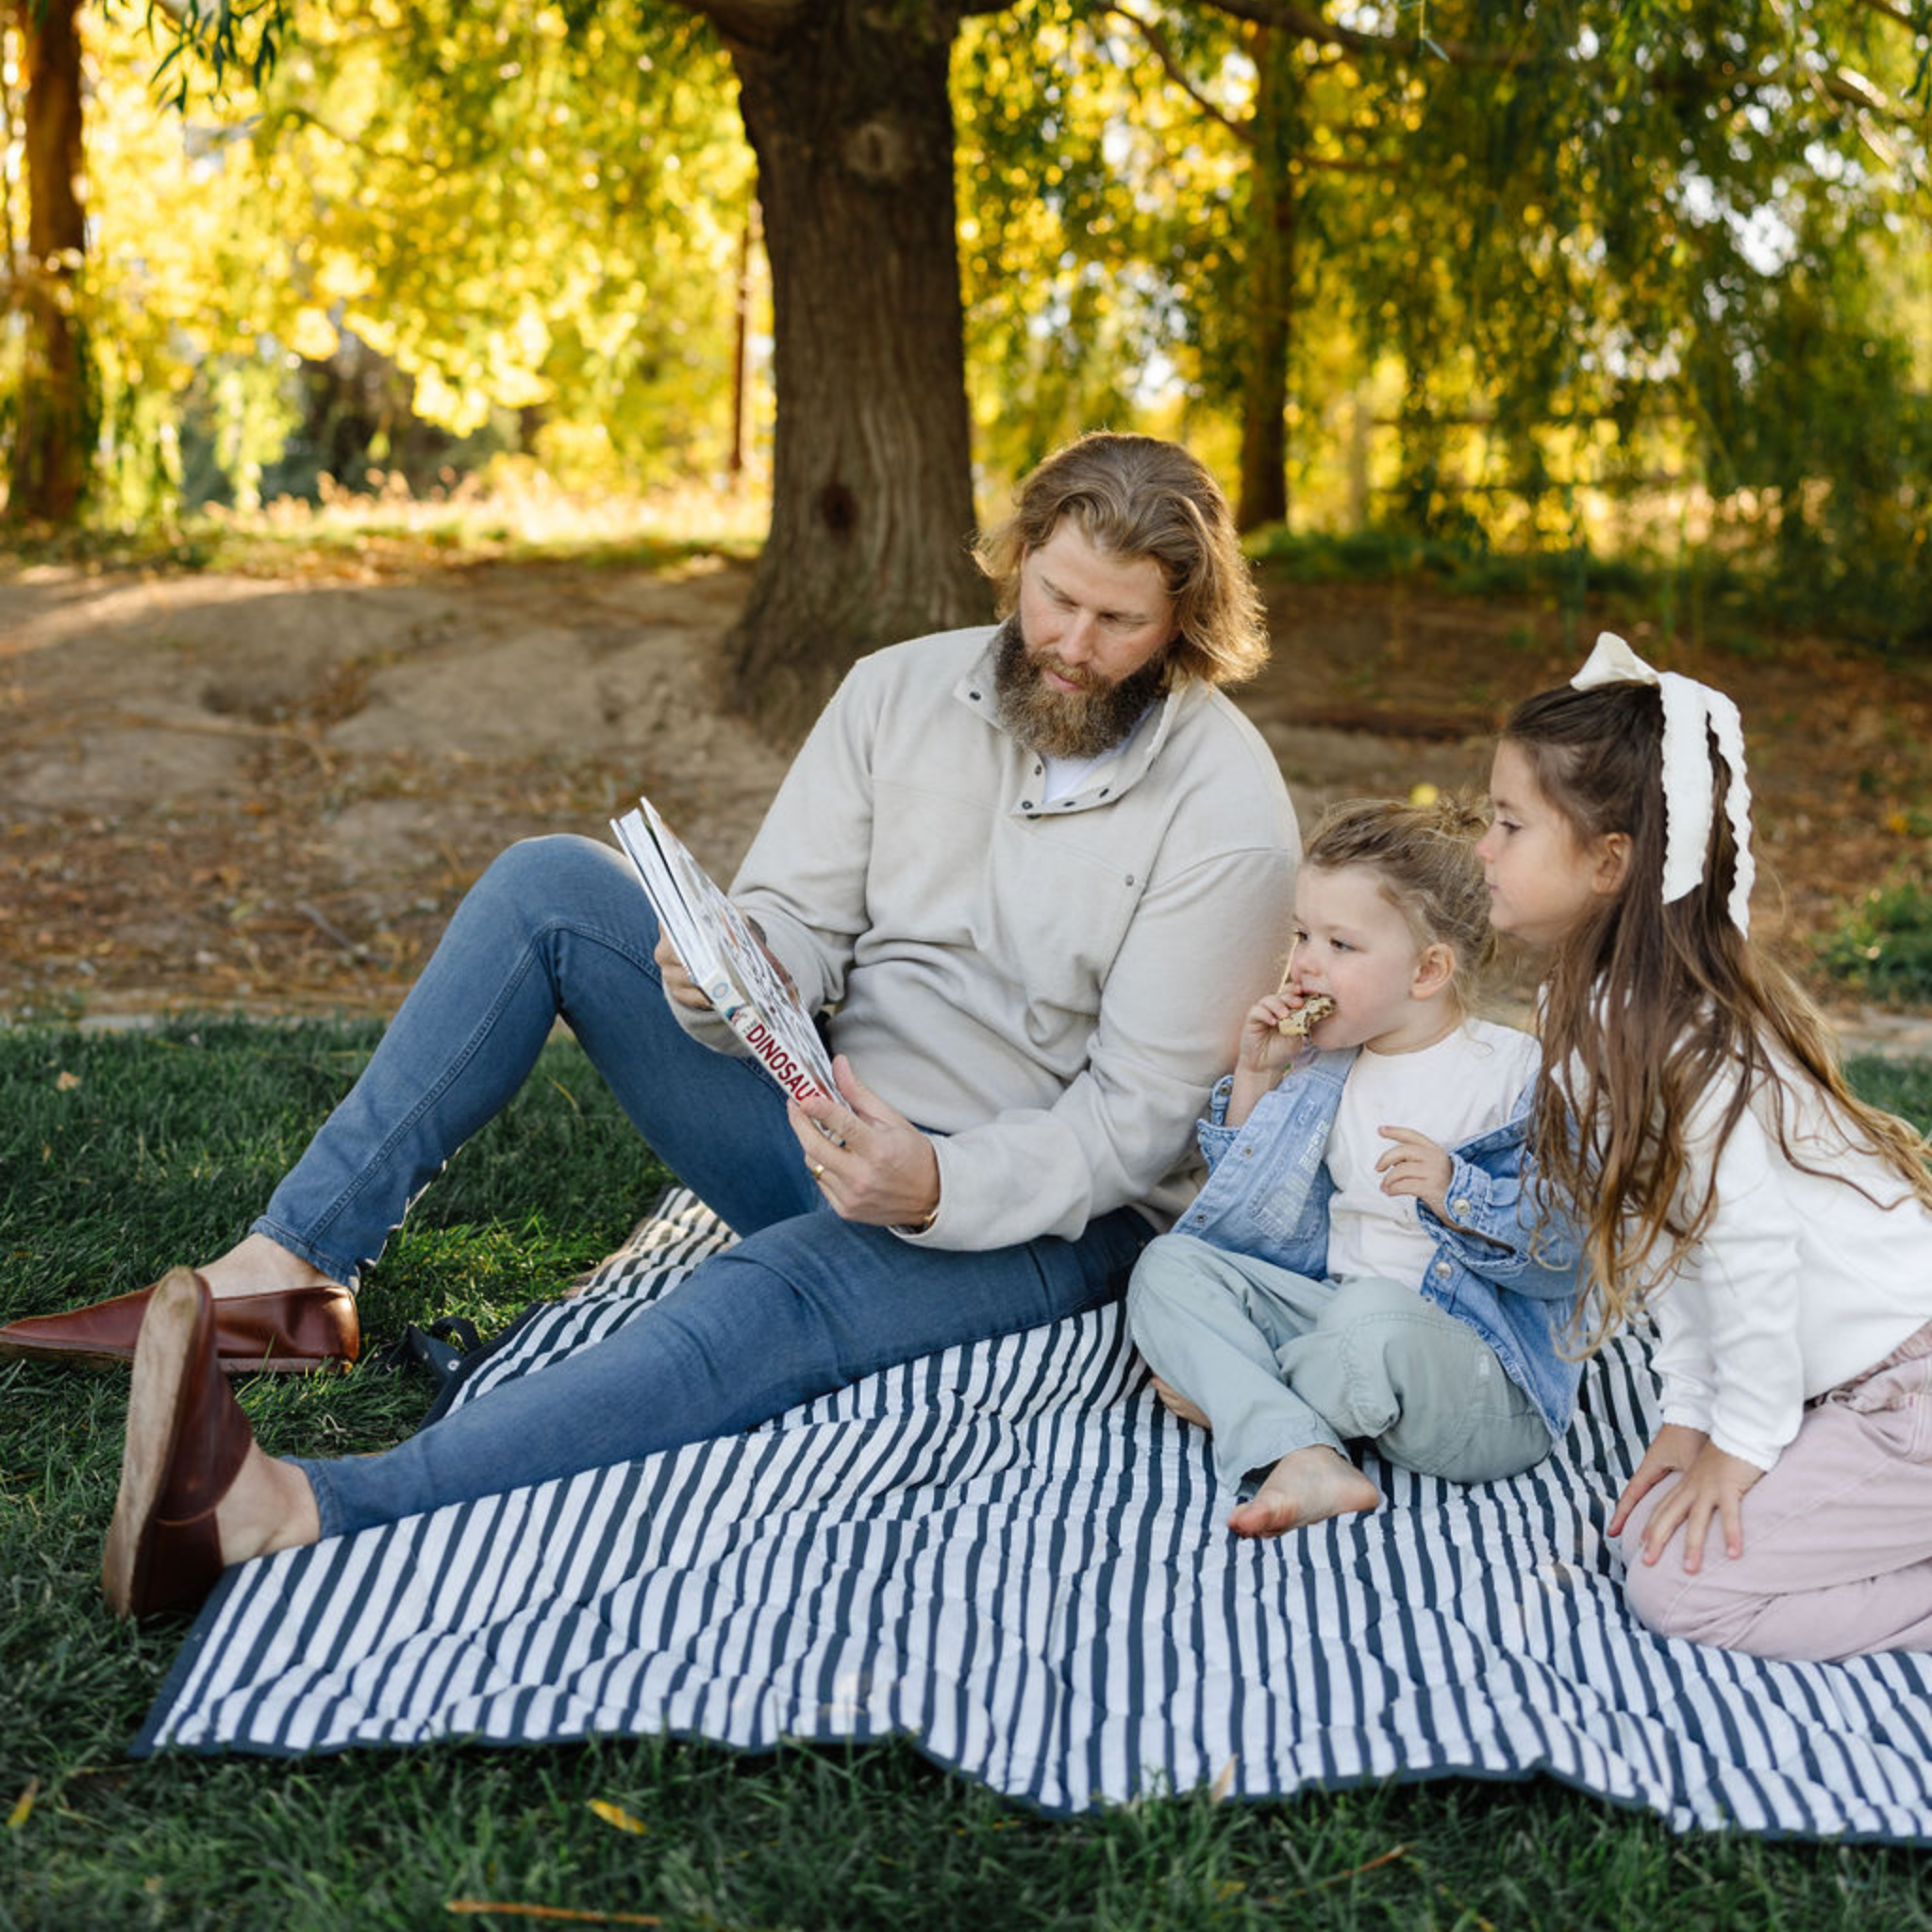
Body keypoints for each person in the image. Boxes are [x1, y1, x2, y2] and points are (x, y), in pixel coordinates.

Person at [22, 431, 1301, 1620]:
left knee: (769, 1292)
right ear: (1018, 558)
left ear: (1184, 621)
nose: (1071, 644)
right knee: (550, 885)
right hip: (824, 1120)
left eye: (1117, 621)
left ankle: (291, 1511)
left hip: (1044, 1213)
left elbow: (1131, 1130)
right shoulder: (894, 692)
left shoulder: (1227, 807)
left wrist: (933, 1184)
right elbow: (797, 911)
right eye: (1053, 597)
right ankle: (292, 1272)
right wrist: (737, 967)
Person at [1486, 632, 1932, 1661]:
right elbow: (1669, 1247)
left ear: (1608, 862)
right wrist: (1689, 1416)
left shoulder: (1680, 1034)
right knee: (1655, 1531)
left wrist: (1742, 1440)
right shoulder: (1598, 1007)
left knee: (1684, 1596)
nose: (1482, 846)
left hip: (1906, 1391)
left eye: (1507, 824)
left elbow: (1747, 1250)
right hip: (1851, 1389)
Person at [1127, 795, 1587, 1539]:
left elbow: (1568, 1253)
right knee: (1168, 1266)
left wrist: (1458, 1192)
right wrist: (1256, 1082)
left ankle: (1243, 1397)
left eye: (1341, 945)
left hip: (1475, 1381)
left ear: (1428, 970)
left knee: (1369, 1321)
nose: (1305, 963)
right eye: (1302, 935)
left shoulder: (1514, 1075)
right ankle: (1307, 1454)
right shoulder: (1320, 1069)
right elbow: (1249, 1235)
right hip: (1338, 1329)